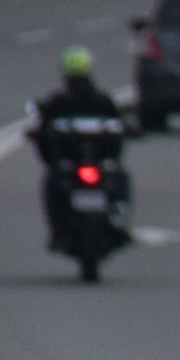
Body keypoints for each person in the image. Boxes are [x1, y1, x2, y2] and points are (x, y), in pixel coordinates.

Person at [30, 47, 124, 251]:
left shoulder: (59, 101)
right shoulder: (101, 100)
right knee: (120, 179)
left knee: (53, 184)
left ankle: (116, 220)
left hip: (89, 166)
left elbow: (43, 133)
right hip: (78, 167)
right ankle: (118, 221)